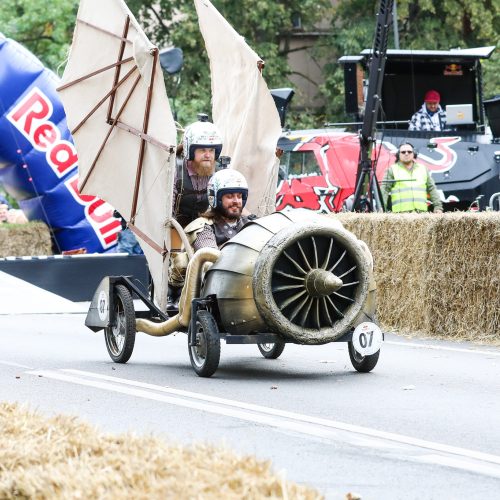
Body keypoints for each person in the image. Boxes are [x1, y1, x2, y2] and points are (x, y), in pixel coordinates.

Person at [172, 115, 223, 228]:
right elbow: (164, 211)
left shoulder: (220, 172)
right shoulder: (175, 170)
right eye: (202, 150)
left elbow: (229, 202)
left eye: (211, 150)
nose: (208, 155)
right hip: (175, 230)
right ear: (190, 151)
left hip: (205, 228)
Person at [185, 169, 253, 251]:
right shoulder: (203, 228)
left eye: (239, 196)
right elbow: (210, 257)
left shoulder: (250, 225)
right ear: (215, 198)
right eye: (229, 196)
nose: (236, 201)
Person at [381, 143, 443, 213]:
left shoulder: (423, 169)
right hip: (400, 216)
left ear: (414, 154)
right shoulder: (391, 170)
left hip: (422, 214)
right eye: (403, 152)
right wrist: (381, 208)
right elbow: (384, 190)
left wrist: (438, 207)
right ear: (399, 154)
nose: (406, 154)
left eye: (409, 152)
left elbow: (432, 189)